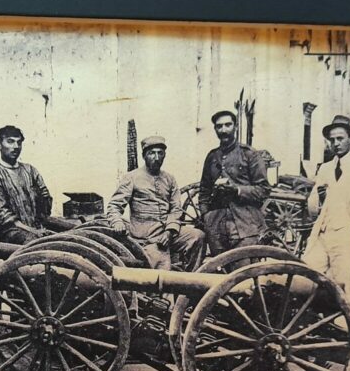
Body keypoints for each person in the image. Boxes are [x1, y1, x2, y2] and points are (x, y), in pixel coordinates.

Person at [301, 115, 350, 292]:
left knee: (342, 284)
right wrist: (319, 199)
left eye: (340, 138)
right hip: (322, 233)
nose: (336, 143)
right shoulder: (325, 168)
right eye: (332, 140)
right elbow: (313, 206)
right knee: (308, 277)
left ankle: (342, 312)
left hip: (346, 235)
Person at [106, 136, 205, 271]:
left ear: (164, 155)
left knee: (197, 236)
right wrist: (117, 222)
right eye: (152, 153)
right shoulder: (132, 178)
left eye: (160, 153)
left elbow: (176, 209)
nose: (156, 157)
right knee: (160, 273)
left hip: (168, 233)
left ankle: (191, 278)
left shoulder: (169, 179)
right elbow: (114, 206)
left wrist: (169, 231)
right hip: (146, 237)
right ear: (144, 156)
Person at [198, 110, 271, 256]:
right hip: (217, 228)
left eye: (228, 125)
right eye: (219, 126)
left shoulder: (249, 154)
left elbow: (264, 190)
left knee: (244, 268)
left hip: (246, 225)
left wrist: (237, 190)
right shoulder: (212, 157)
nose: (223, 130)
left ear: (235, 127)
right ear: (215, 129)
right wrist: (206, 216)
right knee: (219, 267)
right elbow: (204, 191)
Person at [0, 125, 53, 243]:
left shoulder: (30, 170)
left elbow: (45, 198)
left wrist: (41, 226)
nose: (16, 147)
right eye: (10, 142)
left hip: (36, 228)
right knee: (34, 242)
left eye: (19, 142)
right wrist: (33, 231)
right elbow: (2, 214)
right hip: (10, 231)